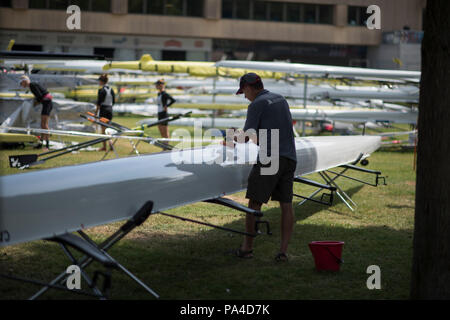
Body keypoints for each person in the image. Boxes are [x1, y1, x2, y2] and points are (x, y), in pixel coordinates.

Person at [231, 73, 297, 262]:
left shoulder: (257, 104)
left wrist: (230, 137)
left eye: (243, 92)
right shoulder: (280, 99)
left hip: (270, 157)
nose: (244, 96)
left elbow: (246, 136)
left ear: (249, 87)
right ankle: (283, 252)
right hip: (290, 157)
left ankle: (247, 249)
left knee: (254, 203)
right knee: (286, 205)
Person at [19, 75, 53, 149]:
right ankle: (42, 143)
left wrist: (36, 102)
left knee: (44, 124)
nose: (21, 85)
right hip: (47, 103)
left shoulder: (32, 85)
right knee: (43, 124)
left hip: (47, 103)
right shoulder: (32, 85)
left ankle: (46, 143)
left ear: (24, 81)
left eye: (21, 83)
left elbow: (39, 96)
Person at [96, 73, 115, 151]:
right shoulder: (111, 89)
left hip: (103, 110)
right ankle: (111, 145)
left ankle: (105, 147)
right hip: (110, 110)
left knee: (103, 129)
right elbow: (113, 101)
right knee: (108, 129)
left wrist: (96, 112)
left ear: (101, 81)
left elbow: (99, 103)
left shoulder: (101, 90)